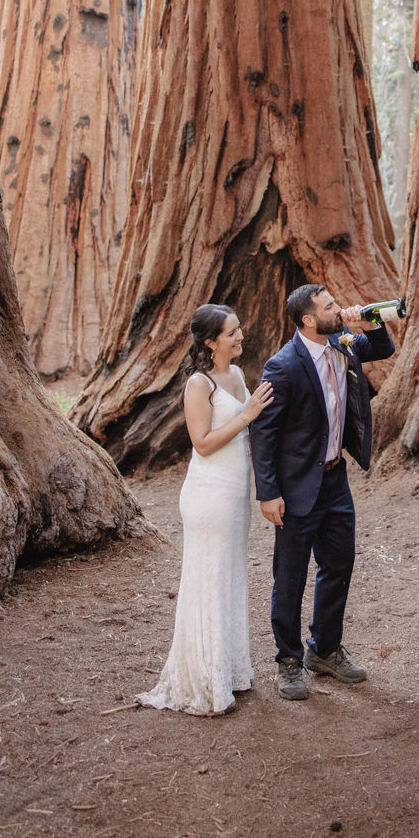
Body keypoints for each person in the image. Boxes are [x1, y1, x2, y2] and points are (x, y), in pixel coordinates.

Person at [249, 284, 395, 701]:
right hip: (296, 487)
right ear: (309, 320)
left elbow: (381, 349)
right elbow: (264, 433)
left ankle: (325, 650)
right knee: (290, 576)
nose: (338, 308)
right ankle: (289, 661)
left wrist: (370, 321)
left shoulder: (344, 342)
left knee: (339, 564)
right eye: (330, 306)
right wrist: (268, 493)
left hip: (335, 480)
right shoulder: (283, 365)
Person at [137, 304, 273, 716]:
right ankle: (205, 683)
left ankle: (230, 671)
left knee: (230, 576)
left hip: (235, 493)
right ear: (211, 342)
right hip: (208, 494)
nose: (240, 336)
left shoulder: (234, 375)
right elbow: (203, 442)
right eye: (232, 332)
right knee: (209, 579)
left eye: (239, 329)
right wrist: (248, 414)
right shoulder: (198, 384)